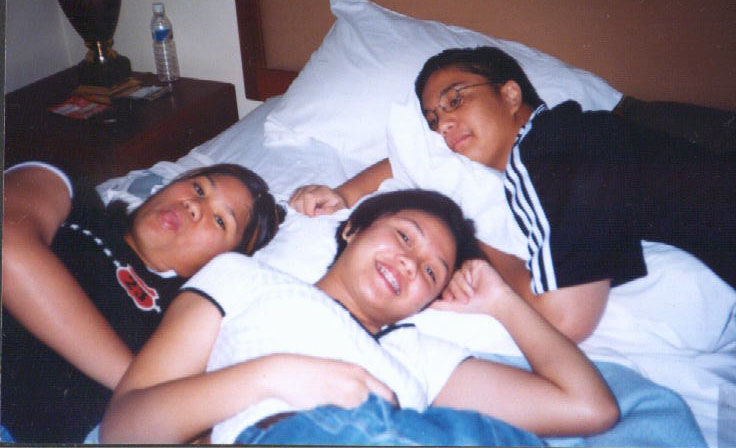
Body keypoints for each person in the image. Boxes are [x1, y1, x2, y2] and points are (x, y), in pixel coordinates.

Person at [99, 189, 618, 445]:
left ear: (425, 303)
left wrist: (504, 301)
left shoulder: (417, 355)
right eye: (404, 236)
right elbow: (123, 428)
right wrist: (275, 376)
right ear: (352, 229)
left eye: (431, 272)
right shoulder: (243, 278)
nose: (410, 263)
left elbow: (589, 408)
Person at [289, 46, 736, 343]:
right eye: (432, 121)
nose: (443, 125)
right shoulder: (568, 136)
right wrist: (344, 193)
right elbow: (415, 158)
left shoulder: (545, 153)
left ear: (509, 94)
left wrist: (465, 246)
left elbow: (567, 319)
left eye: (455, 100)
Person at [1, 161, 286, 443]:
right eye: (199, 189)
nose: (194, 206)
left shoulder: (191, 318)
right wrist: (141, 392)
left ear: (223, 261)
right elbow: (8, 248)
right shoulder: (75, 198)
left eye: (221, 220)